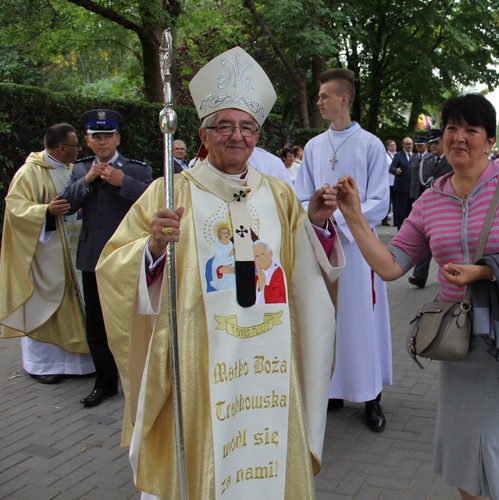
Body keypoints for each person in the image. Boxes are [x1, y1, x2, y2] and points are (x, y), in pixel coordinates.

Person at [96, 46, 344, 498]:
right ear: (203, 135)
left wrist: (320, 225)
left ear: (258, 135)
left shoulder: (280, 196)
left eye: (247, 127)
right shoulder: (170, 192)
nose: (237, 136)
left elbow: (304, 272)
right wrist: (152, 247)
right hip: (200, 359)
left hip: (269, 358)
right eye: (224, 126)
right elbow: (113, 266)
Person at [335, 93, 499, 500]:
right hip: (460, 344)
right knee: (465, 455)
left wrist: (485, 271)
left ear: (490, 140)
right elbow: (390, 266)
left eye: (471, 130)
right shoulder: (430, 200)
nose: (459, 138)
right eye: (451, 129)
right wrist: (353, 215)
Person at [295, 68, 392, 433]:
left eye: (324, 96)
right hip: (323, 247)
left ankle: (371, 396)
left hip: (359, 250)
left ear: (344, 99)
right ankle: (333, 389)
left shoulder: (370, 144)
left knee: (361, 323)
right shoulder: (315, 147)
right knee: (328, 319)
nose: (318, 101)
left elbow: (380, 202)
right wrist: (318, 213)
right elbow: (301, 194)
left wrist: (346, 218)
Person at [61, 109, 152, 407]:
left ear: (118, 139)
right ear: (87, 142)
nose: (102, 142)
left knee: (134, 319)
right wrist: (87, 180)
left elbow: (153, 203)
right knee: (97, 324)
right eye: (96, 137)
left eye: (108, 136)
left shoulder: (136, 170)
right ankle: (105, 383)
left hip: (128, 255)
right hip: (93, 257)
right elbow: (66, 204)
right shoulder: (80, 169)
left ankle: (141, 381)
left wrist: (122, 181)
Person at [0, 123, 94, 384]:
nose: (80, 149)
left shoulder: (73, 170)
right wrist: (45, 212)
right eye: (76, 145)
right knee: (46, 305)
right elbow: (15, 208)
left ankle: (82, 365)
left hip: (75, 251)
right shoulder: (29, 172)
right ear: (62, 148)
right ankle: (42, 365)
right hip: (47, 255)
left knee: (81, 303)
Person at [408, 128, 452, 288]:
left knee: (447, 244)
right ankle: (419, 276)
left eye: (436, 142)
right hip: (432, 208)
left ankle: (452, 276)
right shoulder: (426, 161)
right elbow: (422, 184)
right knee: (427, 241)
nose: (433, 146)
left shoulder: (451, 160)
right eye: (430, 143)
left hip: (449, 209)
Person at [389, 136, 414, 229]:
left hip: (412, 188)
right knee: (401, 210)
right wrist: (396, 171)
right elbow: (391, 168)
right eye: (407, 144)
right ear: (403, 145)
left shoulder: (415, 155)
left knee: (411, 209)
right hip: (401, 187)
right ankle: (401, 229)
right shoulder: (398, 155)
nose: (409, 146)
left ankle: (409, 230)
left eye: (411, 144)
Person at [382, 139, 397, 226]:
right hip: (388, 181)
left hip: (396, 181)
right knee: (387, 201)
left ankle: (396, 219)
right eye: (391, 145)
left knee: (395, 202)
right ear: (387, 147)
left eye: (394, 145)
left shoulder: (397, 155)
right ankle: (384, 219)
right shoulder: (385, 155)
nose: (393, 147)